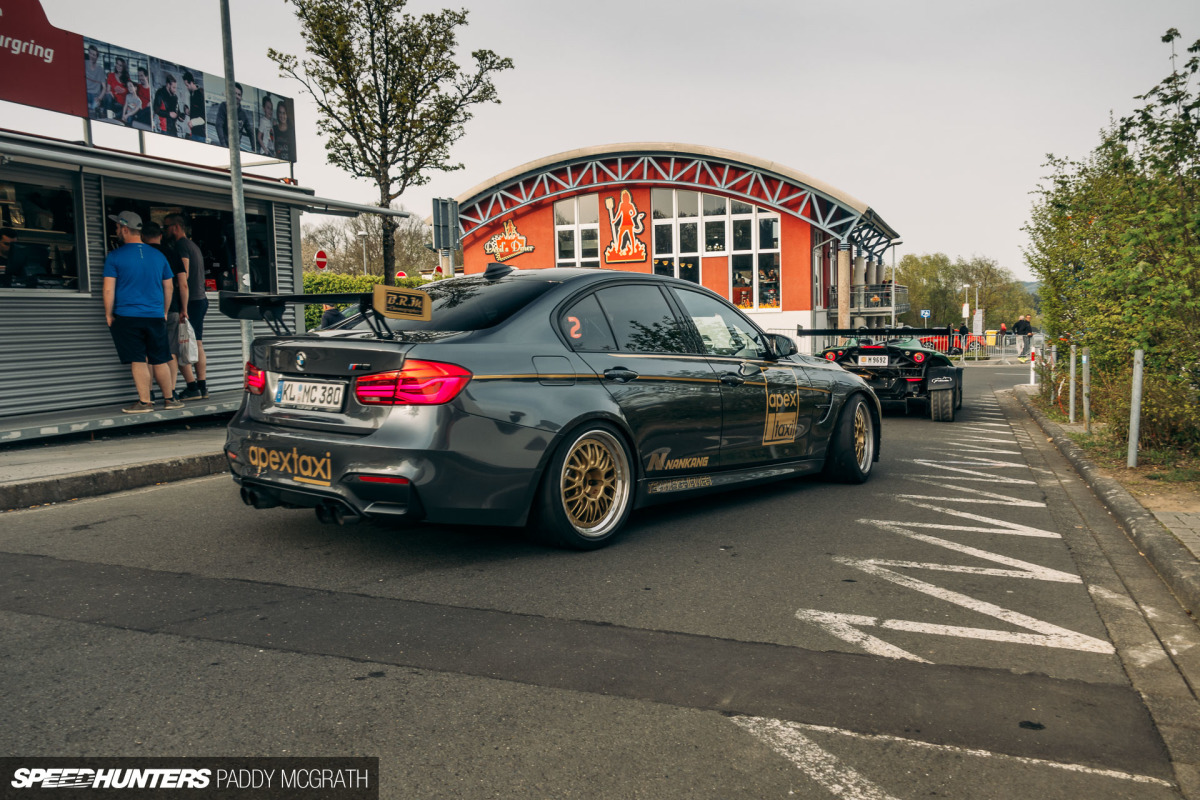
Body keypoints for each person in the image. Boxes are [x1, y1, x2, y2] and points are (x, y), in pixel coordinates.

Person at [102, 211, 183, 413]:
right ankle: (170, 399)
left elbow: (108, 289)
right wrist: (164, 311)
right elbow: (169, 287)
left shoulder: (115, 256)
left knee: (139, 359)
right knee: (160, 358)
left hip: (128, 316)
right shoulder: (159, 255)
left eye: (117, 228)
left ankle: (145, 402)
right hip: (155, 315)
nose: (116, 231)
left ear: (125, 229)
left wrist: (108, 314)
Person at [143, 221, 190, 399]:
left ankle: (148, 393)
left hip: (147, 308)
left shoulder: (143, 254)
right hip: (171, 309)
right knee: (170, 351)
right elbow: (183, 283)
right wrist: (184, 308)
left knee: (147, 353)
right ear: (160, 236)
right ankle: (170, 393)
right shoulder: (172, 253)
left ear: (142, 236)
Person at [165, 213, 209, 399]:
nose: (164, 231)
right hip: (200, 298)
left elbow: (184, 274)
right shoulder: (193, 245)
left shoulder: (181, 245)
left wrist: (172, 284)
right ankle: (201, 386)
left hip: (191, 301)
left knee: (181, 344)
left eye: (166, 226)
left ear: (175, 227)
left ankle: (193, 387)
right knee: (196, 342)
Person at [216, 83, 254, 149]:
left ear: (241, 97)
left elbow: (250, 132)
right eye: (234, 93)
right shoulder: (223, 106)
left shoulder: (243, 114)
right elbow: (219, 125)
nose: (236, 96)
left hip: (236, 147)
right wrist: (224, 145)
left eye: (239, 94)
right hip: (225, 145)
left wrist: (254, 148)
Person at [183, 72, 206, 142]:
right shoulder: (191, 95)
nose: (186, 87)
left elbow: (203, 117)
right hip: (194, 132)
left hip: (200, 135)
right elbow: (197, 112)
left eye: (187, 85)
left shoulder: (200, 95)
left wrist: (193, 122)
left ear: (192, 82)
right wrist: (189, 112)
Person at [85, 45, 105, 116]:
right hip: (85, 93)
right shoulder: (84, 64)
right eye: (91, 53)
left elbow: (104, 88)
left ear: (97, 57)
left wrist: (99, 98)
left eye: (94, 55)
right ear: (88, 53)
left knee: (93, 111)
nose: (92, 56)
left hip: (95, 96)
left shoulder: (100, 70)